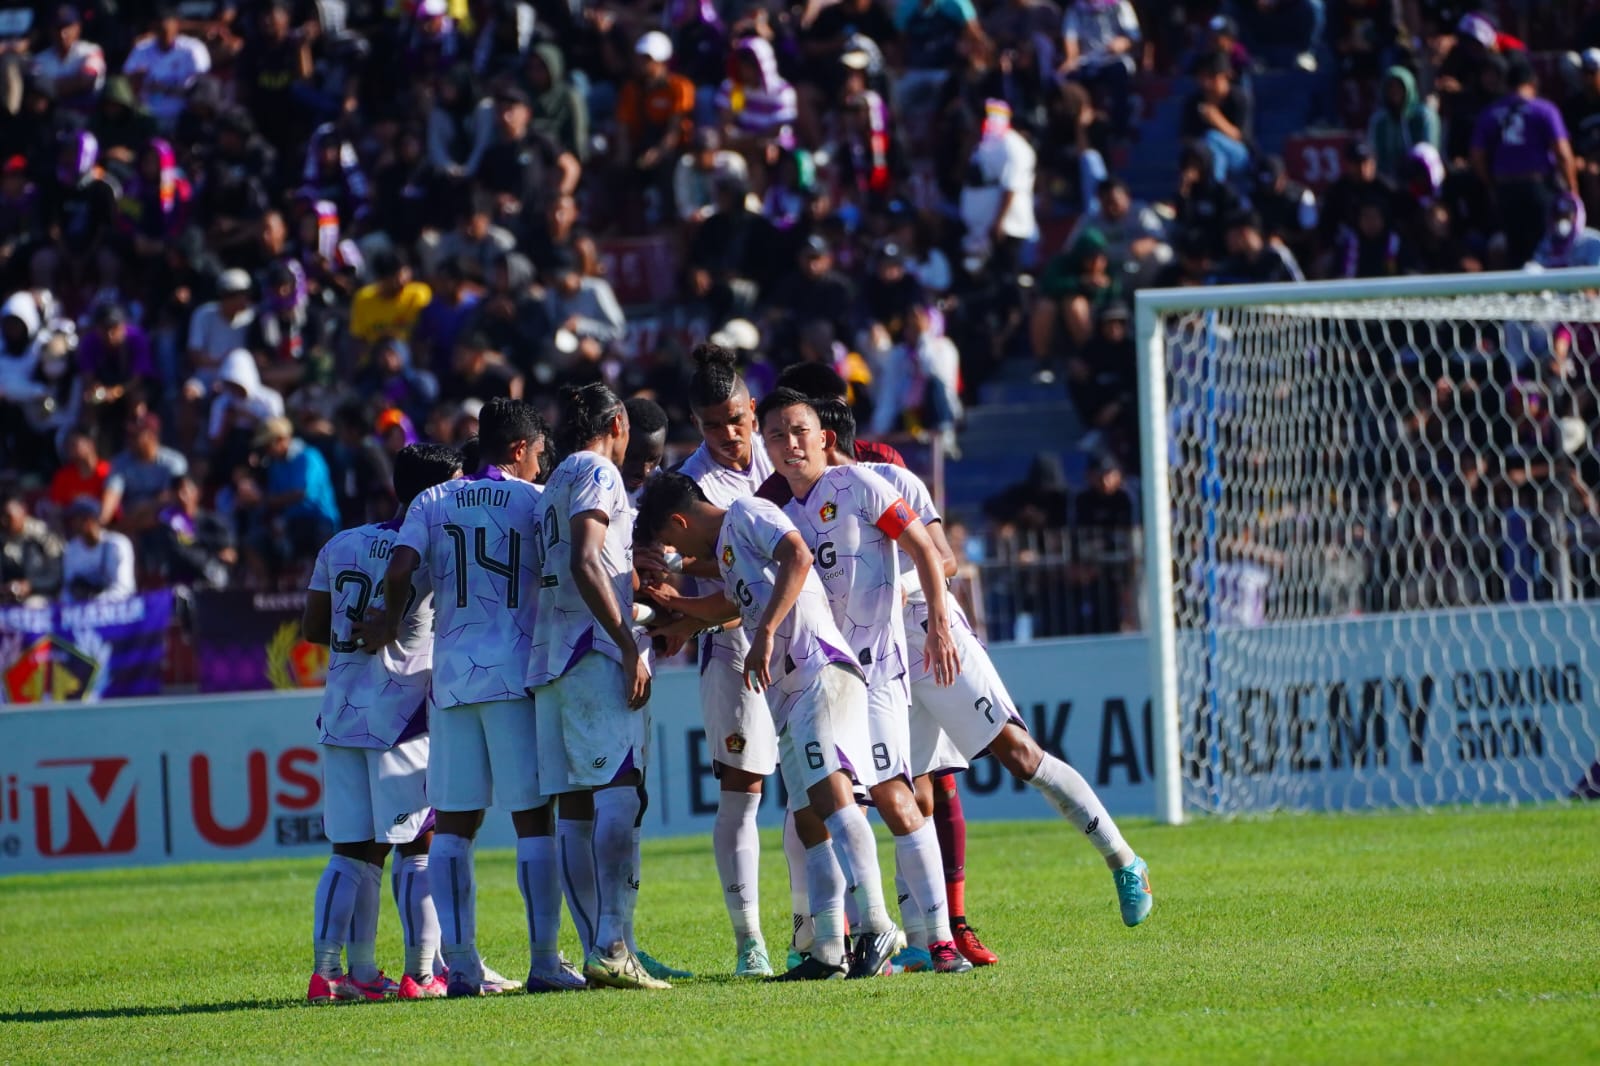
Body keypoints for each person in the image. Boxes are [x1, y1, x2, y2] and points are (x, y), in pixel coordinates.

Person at [634, 471, 899, 982]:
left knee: (832, 795)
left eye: (671, 541)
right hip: (787, 691)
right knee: (808, 817)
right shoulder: (731, 548)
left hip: (818, 668)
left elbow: (797, 556)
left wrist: (769, 633)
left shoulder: (748, 512)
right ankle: (827, 950)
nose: (679, 555)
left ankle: (879, 922)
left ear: (679, 521)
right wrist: (678, 609)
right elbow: (732, 605)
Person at [756, 386, 964, 976]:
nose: (791, 443)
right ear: (766, 447)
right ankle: (830, 948)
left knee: (896, 798)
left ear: (823, 435)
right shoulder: (781, 520)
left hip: (875, 673)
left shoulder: (867, 486)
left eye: (800, 430)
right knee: (810, 813)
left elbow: (925, 548)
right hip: (820, 683)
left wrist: (940, 627)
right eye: (777, 434)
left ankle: (939, 939)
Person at [378, 398, 581, 997]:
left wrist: (391, 621)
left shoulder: (432, 500)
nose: (543, 465)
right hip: (516, 674)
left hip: (454, 678)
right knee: (532, 820)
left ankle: (461, 966)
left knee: (456, 825)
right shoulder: (530, 500)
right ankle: (545, 959)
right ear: (518, 449)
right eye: (540, 454)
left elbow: (400, 569)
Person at [301, 443, 462, 1004]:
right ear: (435, 492)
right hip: (405, 718)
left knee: (352, 851)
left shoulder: (340, 543)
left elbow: (313, 628)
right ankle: (422, 972)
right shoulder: (436, 549)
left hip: (343, 710)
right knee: (419, 846)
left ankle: (340, 972)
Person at [524, 384, 669, 991]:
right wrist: (630, 642)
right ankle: (612, 944)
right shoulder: (596, 470)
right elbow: (586, 561)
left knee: (577, 807)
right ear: (616, 422)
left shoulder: (554, 478)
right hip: (592, 654)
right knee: (618, 792)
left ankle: (599, 951)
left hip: (553, 657)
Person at [647, 344, 780, 976]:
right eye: (712, 424)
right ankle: (750, 940)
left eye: (736, 418)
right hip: (732, 643)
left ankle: (824, 932)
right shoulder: (693, 485)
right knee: (743, 790)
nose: (729, 435)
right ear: (695, 424)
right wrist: (677, 614)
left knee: (824, 791)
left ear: (752, 408)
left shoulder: (783, 452)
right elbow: (694, 568)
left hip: (803, 641)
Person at [1471, 51, 1578, 270]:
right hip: (1537, 186)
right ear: (1532, 82)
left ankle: (1519, 297)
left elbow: (1477, 155)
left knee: (1516, 250)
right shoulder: (1544, 109)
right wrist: (1572, 191)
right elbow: (1563, 152)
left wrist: (1490, 183)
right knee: (1544, 247)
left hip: (1505, 186)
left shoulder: (1491, 112)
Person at [120, 5, 212, 133]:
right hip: (147, 116)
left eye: (166, 26)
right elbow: (126, 78)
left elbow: (204, 82)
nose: (162, 31)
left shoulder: (192, 49)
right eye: (158, 27)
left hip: (183, 116)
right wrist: (136, 78)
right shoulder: (142, 48)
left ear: (176, 25)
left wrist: (166, 88)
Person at [60, 494, 135, 602]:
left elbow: (125, 588)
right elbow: (68, 589)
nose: (73, 524)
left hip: (116, 609)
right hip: (82, 609)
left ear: (91, 520)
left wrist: (95, 602)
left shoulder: (117, 544)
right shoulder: (72, 549)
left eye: (78, 519)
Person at [1, 492, 63, 606]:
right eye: (2, 516)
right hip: (9, 599)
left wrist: (31, 585)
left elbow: (56, 576)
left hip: (41, 596)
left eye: (8, 516)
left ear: (22, 510)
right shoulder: (3, 539)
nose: (4, 521)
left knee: (32, 604)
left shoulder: (42, 535)